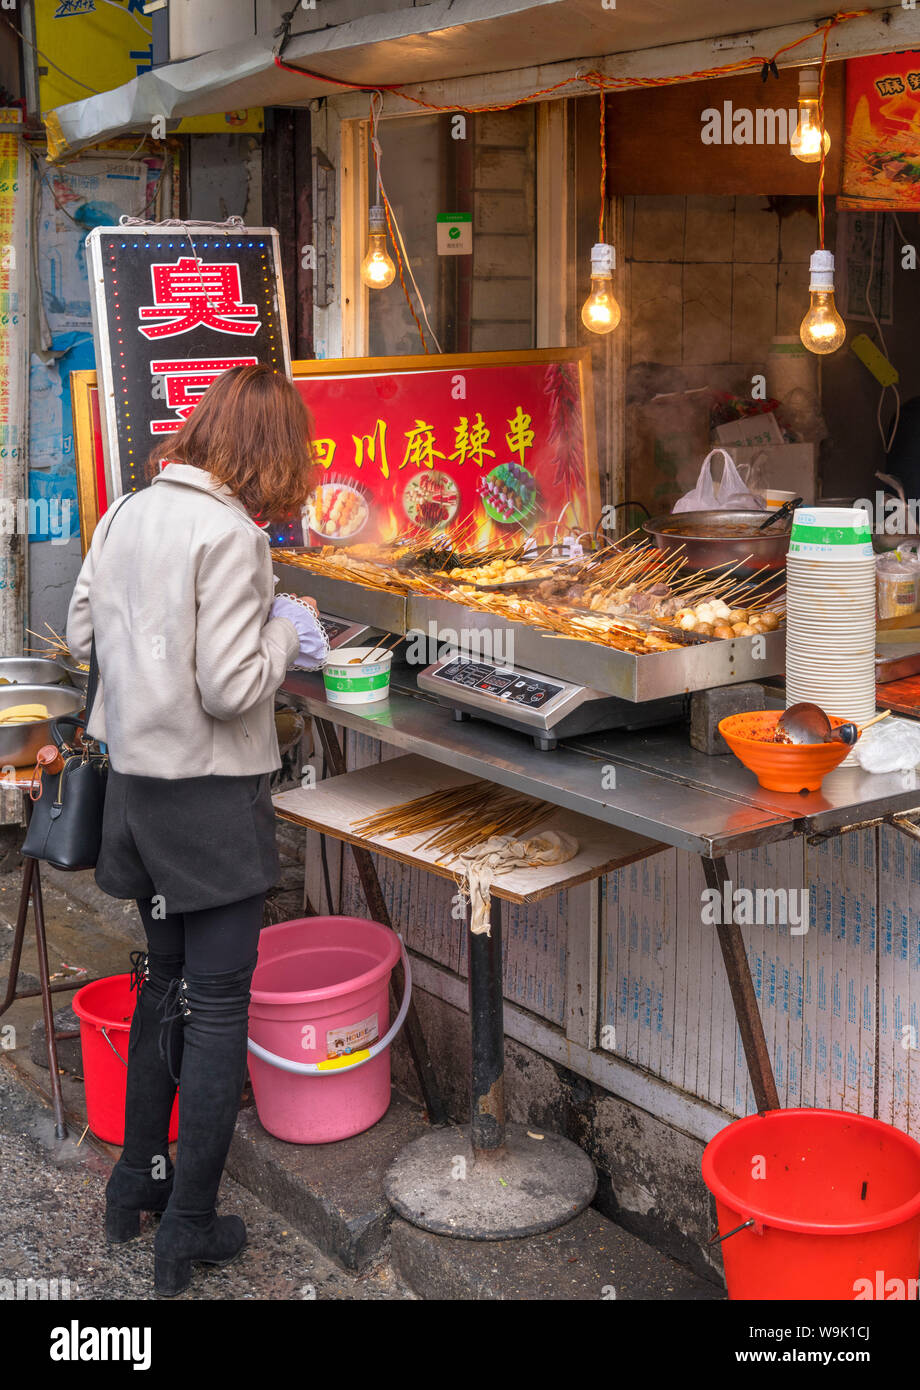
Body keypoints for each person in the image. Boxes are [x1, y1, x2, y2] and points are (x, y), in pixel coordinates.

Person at [66, 364, 327, 1297]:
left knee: (161, 987)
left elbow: (82, 626)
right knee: (216, 1015)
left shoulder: (126, 512)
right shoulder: (229, 536)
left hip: (138, 798)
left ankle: (135, 1183)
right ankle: (187, 1230)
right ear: (267, 453)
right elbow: (229, 686)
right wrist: (287, 630)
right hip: (209, 805)